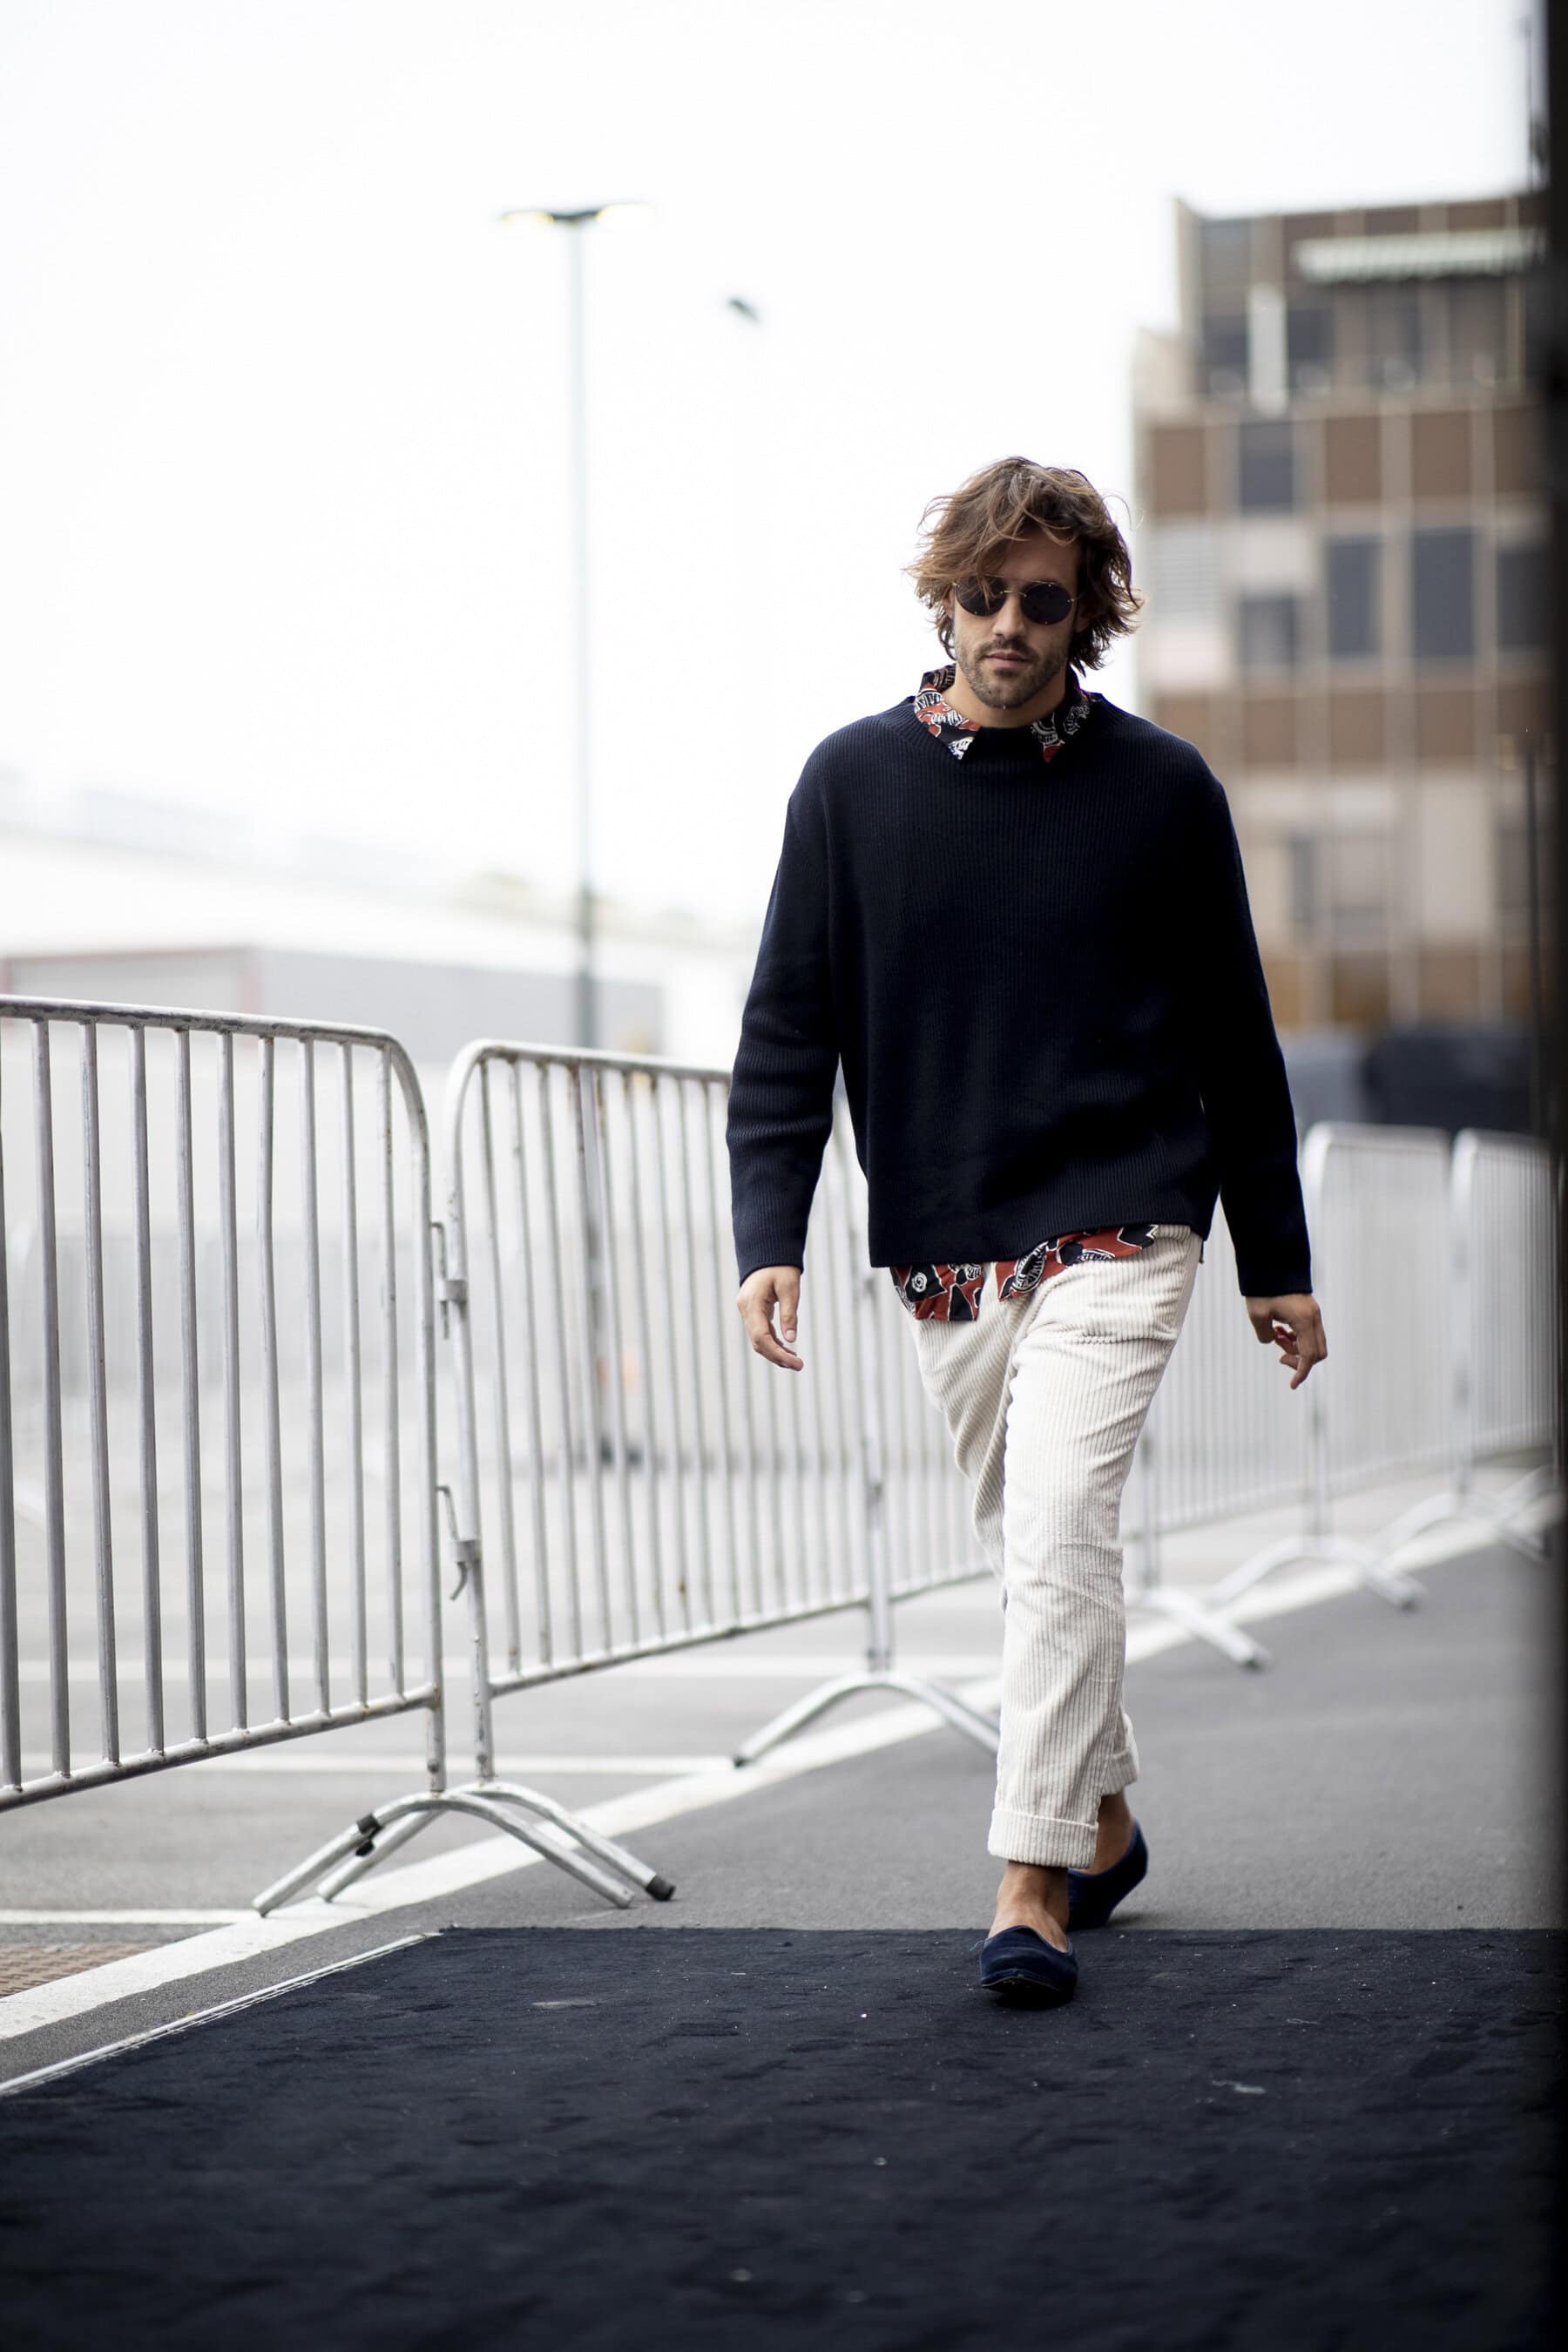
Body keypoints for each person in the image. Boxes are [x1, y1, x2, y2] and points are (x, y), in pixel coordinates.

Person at [726, 456, 1326, 2006]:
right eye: (983, 595)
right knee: (1039, 1552)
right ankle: (1105, 1825)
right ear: (945, 602)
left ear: (1086, 615)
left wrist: (1277, 1262)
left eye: (1041, 601)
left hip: (1127, 1215)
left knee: (1060, 1526)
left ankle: (1030, 1881)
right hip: (949, 1235)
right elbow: (789, 1025)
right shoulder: (848, 785)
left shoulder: (1164, 792)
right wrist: (769, 1228)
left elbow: (1236, 1039)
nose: (1009, 624)